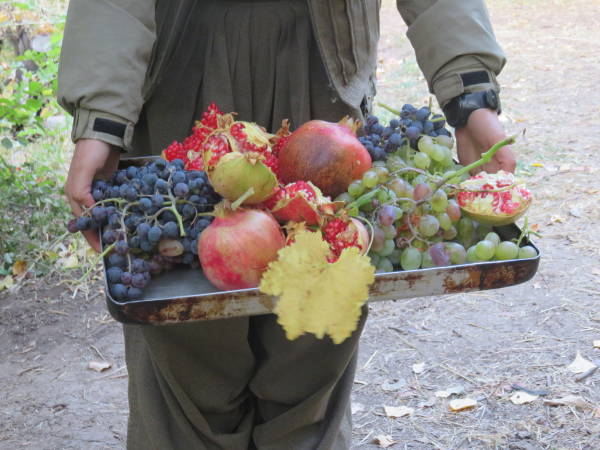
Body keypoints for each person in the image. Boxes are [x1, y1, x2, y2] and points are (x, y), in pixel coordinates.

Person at [58, 1, 516, 448]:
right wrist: (102, 117)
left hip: (323, 71)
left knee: (311, 358)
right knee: (188, 361)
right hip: (185, 65)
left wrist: (469, 90)